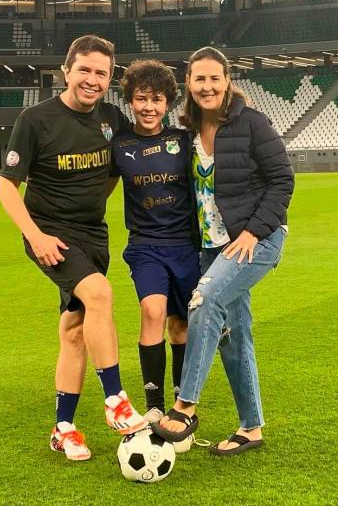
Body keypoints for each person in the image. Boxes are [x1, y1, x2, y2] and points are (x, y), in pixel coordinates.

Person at [0, 35, 146, 462]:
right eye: (84, 69)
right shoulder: (36, 119)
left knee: (75, 328)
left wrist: (97, 199)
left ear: (109, 78)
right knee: (100, 294)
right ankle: (115, 399)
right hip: (51, 235)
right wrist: (36, 236)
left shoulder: (112, 119)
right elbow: (7, 187)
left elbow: (117, 170)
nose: (92, 79)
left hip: (92, 234)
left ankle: (63, 428)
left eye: (101, 73)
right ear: (66, 71)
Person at [151, 46, 294, 456]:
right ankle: (251, 428)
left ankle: (185, 405)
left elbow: (282, 180)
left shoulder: (251, 124)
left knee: (204, 300)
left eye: (215, 78)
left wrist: (252, 232)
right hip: (211, 246)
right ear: (189, 84)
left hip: (256, 240)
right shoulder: (188, 134)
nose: (207, 86)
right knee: (235, 336)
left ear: (228, 81)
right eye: (200, 79)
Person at [109, 60, 200, 437]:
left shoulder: (183, 140)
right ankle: (153, 406)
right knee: (152, 310)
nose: (149, 107)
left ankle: (181, 404)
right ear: (130, 100)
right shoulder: (119, 144)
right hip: (145, 245)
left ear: (168, 103)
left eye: (157, 99)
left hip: (186, 245)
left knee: (180, 326)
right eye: (141, 98)